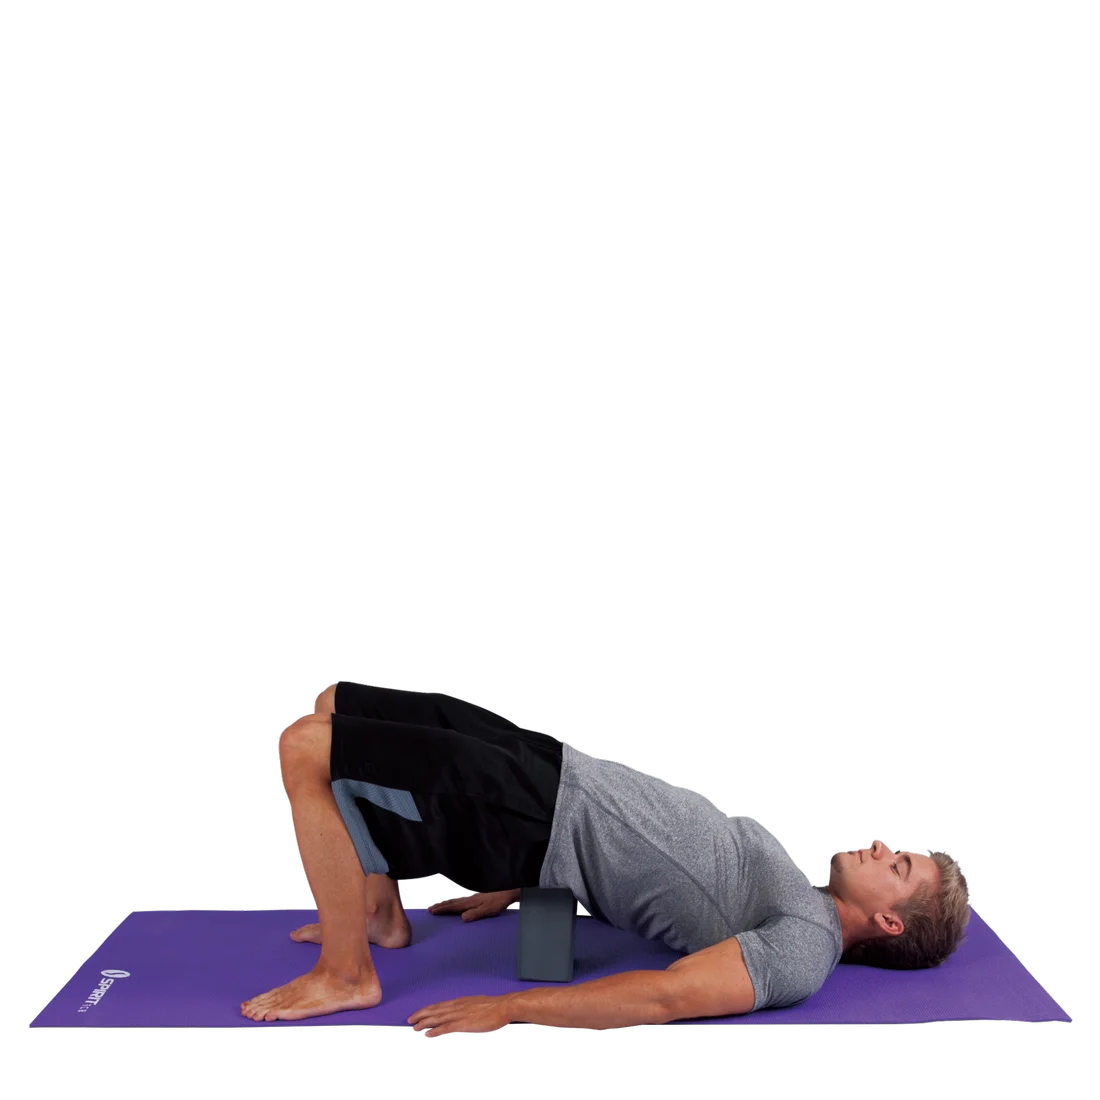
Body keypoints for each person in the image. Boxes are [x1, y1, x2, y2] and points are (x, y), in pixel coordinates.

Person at [241, 684, 971, 1034]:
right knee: (334, 703)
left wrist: (511, 1008)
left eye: (898, 867)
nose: (883, 849)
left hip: (537, 814)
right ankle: (378, 914)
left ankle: (347, 973)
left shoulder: (804, 948)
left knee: (306, 748)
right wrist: (518, 893)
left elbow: (666, 996)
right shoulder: (802, 899)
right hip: (555, 773)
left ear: (889, 922)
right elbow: (663, 875)